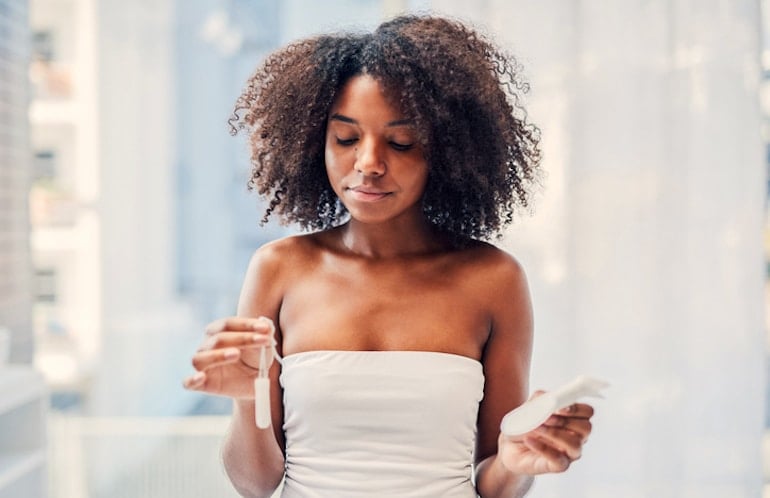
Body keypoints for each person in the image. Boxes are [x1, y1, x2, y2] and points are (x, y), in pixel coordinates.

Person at [183, 14, 595, 498]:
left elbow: (495, 483)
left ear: (446, 150)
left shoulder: (492, 279)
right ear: (316, 141)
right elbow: (255, 485)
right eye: (346, 138)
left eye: (401, 142)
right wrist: (244, 397)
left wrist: (515, 460)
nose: (369, 163)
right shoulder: (279, 269)